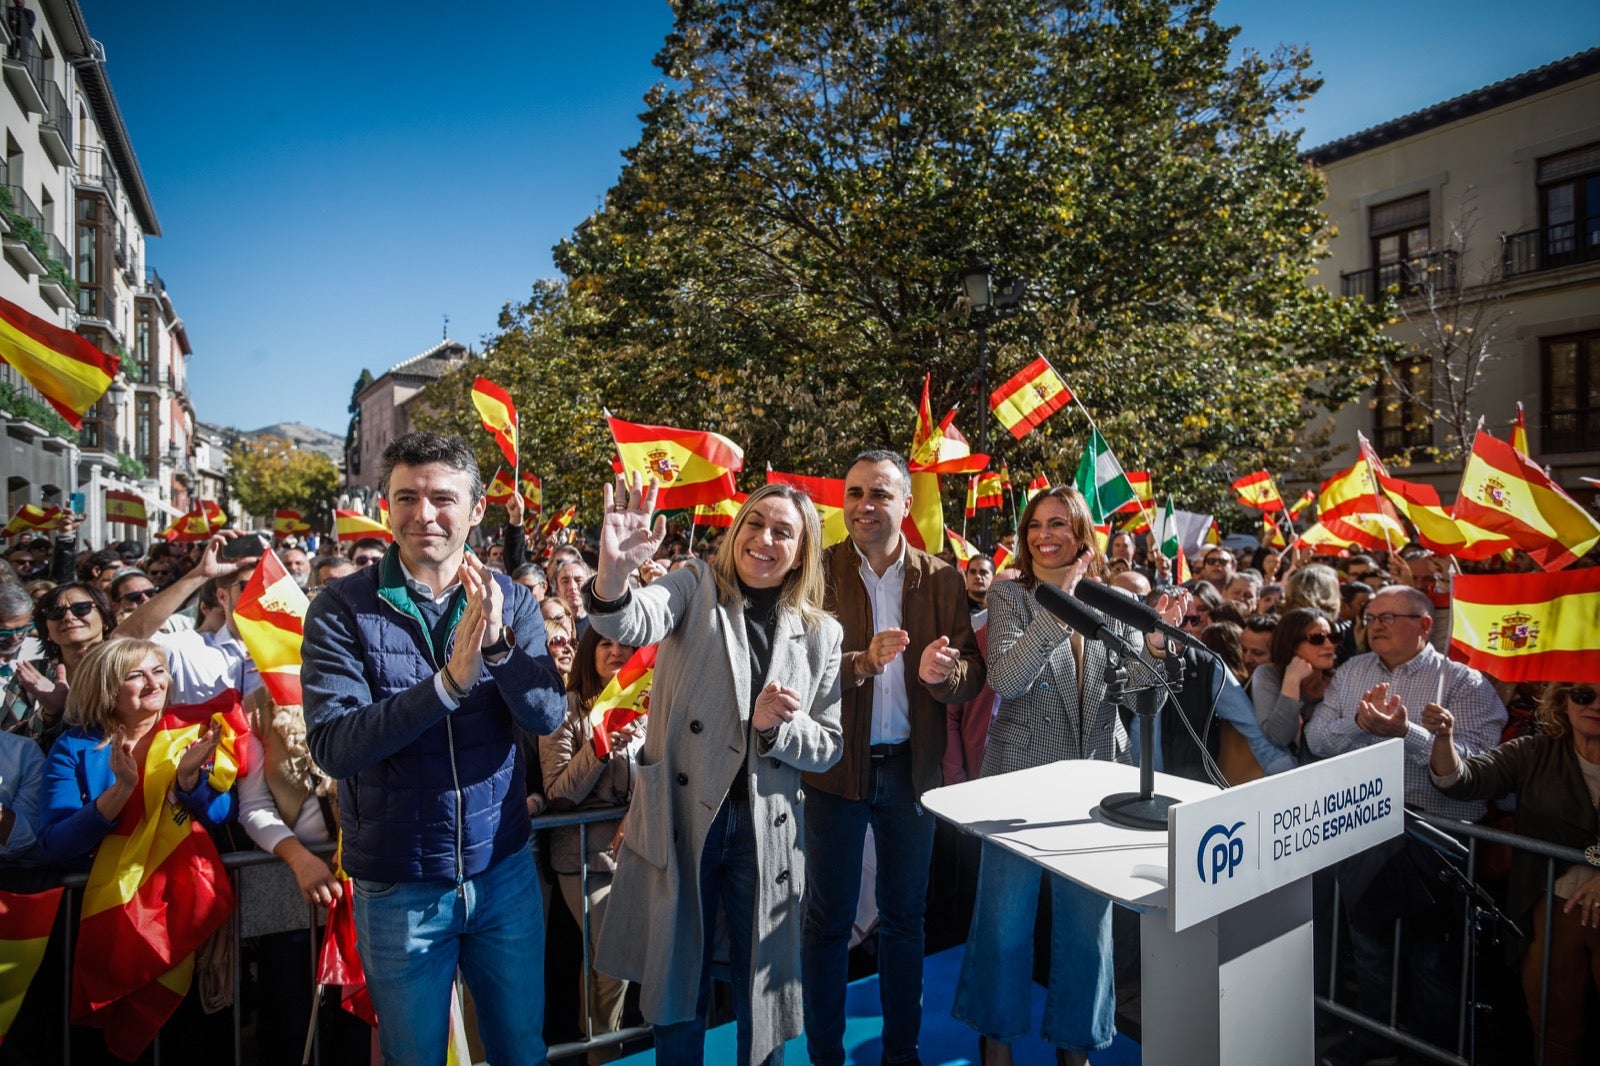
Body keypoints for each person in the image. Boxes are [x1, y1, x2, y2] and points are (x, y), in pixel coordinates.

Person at [303, 431, 567, 1066]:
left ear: (477, 510)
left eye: (443, 498)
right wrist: (446, 686)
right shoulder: (340, 607)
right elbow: (335, 746)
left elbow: (548, 711)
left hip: (502, 874)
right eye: (407, 498)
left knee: (519, 1051)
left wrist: (500, 648)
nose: (424, 514)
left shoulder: (514, 599)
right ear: (385, 506)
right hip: (399, 888)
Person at [587, 475, 843, 1066]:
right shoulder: (694, 584)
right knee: (679, 986)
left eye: (783, 531)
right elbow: (628, 622)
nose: (765, 538)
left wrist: (774, 730)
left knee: (764, 993)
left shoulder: (822, 633)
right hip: (681, 824)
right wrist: (613, 576)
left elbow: (827, 745)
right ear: (735, 531)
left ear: (802, 550)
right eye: (755, 523)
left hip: (766, 833)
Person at [953, 487, 1176, 1066]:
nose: (1043, 534)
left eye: (1057, 524)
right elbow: (1006, 679)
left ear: (1081, 534)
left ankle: (1076, 1045)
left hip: (1096, 788)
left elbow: (1135, 694)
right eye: (1034, 525)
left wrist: (1154, 646)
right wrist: (1060, 607)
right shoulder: (1011, 598)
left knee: (1086, 930)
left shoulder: (1114, 601)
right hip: (1019, 784)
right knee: (1005, 924)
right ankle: (996, 1042)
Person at [801, 451, 984, 1066]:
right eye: (854, 494)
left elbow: (971, 675)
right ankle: (825, 1055)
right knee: (826, 926)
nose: (863, 506)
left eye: (879, 494)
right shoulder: (816, 573)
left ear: (907, 504)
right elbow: (798, 672)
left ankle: (900, 1054)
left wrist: (943, 673)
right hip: (835, 771)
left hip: (911, 772)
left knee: (906, 922)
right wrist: (862, 662)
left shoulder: (941, 579)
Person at [1304, 585, 1507, 1066]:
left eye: (1390, 616)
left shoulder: (1464, 683)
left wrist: (1409, 733)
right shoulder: (1353, 671)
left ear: (1424, 624)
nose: (1375, 624)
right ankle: (1377, 1035)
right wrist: (1359, 723)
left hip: (1435, 836)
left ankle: (1431, 1052)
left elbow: (1480, 766)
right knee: (1370, 946)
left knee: (1432, 957)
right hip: (1363, 829)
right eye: (1371, 616)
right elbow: (1315, 738)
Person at [38, 638, 239, 1061]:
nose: (153, 683)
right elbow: (57, 844)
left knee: (190, 1040)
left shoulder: (194, 729)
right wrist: (120, 792)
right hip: (111, 918)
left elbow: (223, 814)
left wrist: (189, 784)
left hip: (185, 911)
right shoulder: (74, 747)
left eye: (158, 671)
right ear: (107, 688)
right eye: (136, 675)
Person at [1424, 681, 1600, 1066]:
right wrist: (1443, 738)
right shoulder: (1535, 750)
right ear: (1563, 700)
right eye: (1584, 695)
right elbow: (1463, 780)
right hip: (1551, 907)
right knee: (1553, 1027)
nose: (1594, 706)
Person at [540, 628, 647, 1063]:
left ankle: (611, 1049)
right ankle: (606, 1054)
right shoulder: (565, 710)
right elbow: (558, 792)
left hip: (639, 856)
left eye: (625, 645)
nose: (617, 651)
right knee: (612, 963)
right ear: (589, 652)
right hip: (585, 861)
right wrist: (599, 749)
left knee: (618, 967)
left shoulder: (647, 703)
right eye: (606, 644)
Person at [8, 582, 115, 749]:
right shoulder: (33, 673)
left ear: (105, 619)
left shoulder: (124, 664)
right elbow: (8, 741)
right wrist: (50, 714)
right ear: (47, 629)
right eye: (56, 612)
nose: (68, 617)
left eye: (81, 608)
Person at [1249, 607, 1336, 767]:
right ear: (1292, 644)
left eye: (1332, 637)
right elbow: (1279, 736)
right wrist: (1292, 681)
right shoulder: (1268, 674)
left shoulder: (1338, 680)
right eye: (1317, 639)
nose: (1329, 645)